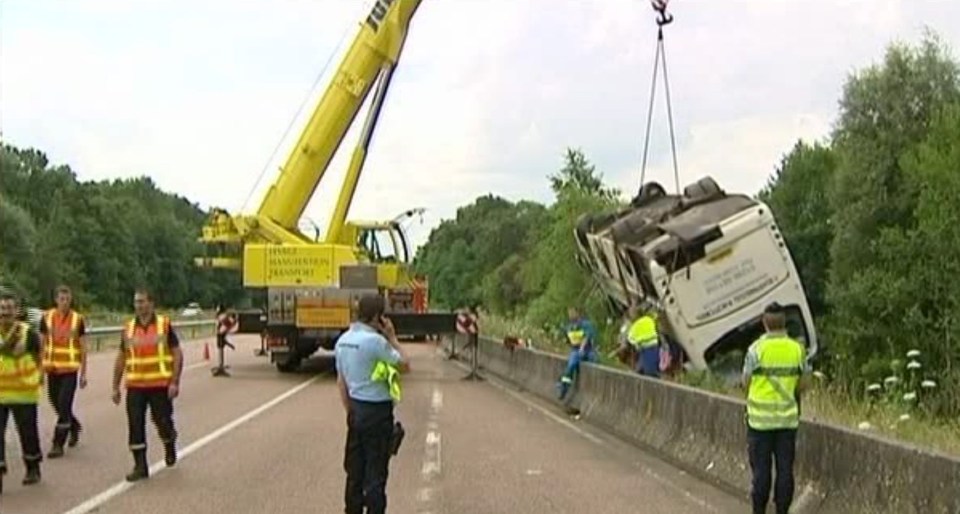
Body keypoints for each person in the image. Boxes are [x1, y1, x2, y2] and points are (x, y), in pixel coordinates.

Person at [335, 294, 410, 514]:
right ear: (379, 317)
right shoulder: (376, 343)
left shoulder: (343, 340)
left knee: (354, 473)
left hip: (356, 410)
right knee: (376, 474)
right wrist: (392, 337)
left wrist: (350, 411)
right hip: (377, 413)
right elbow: (405, 365)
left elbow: (341, 381)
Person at [741, 302, 810, 514]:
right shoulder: (797, 350)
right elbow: (805, 383)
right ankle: (782, 510)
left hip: (759, 422)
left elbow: (746, 383)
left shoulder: (755, 350)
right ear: (784, 323)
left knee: (761, 472)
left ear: (764, 323)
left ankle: (759, 510)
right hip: (787, 421)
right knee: (785, 470)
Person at [111, 287, 183, 482]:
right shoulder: (128, 328)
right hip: (135, 385)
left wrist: (175, 381)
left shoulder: (164, 325)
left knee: (162, 422)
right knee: (135, 425)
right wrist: (115, 386)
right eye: (136, 302)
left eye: (142, 301)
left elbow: (177, 353)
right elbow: (121, 357)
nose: (139, 306)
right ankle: (140, 466)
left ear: (151, 303)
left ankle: (169, 442)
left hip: (159, 384)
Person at [0, 291, 43, 493]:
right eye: (2, 308)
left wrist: (39, 377)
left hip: (23, 392)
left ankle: (32, 467)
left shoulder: (28, 333)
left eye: (9, 308)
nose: (5, 312)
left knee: (27, 433)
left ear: (17, 311)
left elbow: (40, 357)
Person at [40, 285, 88, 457]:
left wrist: (83, 373)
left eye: (67, 299)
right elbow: (42, 344)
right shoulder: (46, 317)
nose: (65, 302)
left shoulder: (77, 319)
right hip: (52, 368)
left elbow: (83, 348)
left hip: (69, 369)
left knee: (64, 403)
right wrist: (40, 371)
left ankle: (57, 443)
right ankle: (74, 425)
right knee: (56, 403)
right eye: (61, 299)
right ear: (56, 300)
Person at [556, 307, 598, 401]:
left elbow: (586, 338)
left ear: (578, 313)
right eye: (569, 313)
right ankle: (563, 387)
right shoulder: (568, 327)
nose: (571, 315)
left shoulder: (586, 325)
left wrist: (582, 349)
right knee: (571, 365)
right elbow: (568, 340)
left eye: (572, 312)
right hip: (575, 350)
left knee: (594, 362)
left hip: (588, 350)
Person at [628, 303, 660, 377]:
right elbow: (655, 318)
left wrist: (636, 344)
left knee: (649, 370)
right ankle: (638, 373)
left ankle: (651, 379)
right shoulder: (648, 319)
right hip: (654, 346)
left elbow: (630, 339)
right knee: (648, 365)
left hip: (645, 348)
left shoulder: (634, 326)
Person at [212, 305, 236, 377]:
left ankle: (221, 366)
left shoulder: (221, 316)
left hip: (220, 332)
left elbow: (226, 322)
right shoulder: (224, 316)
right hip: (222, 332)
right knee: (221, 348)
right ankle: (221, 366)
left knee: (221, 347)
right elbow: (231, 322)